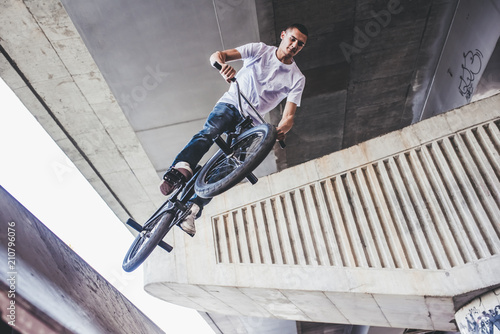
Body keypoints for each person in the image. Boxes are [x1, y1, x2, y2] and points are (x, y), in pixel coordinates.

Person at [160, 23, 308, 236]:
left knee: (231, 166)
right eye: (292, 39)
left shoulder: (297, 78)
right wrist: (222, 67)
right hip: (231, 104)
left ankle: (193, 208)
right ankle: (180, 171)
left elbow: (289, 116)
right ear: (283, 35)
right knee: (210, 132)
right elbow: (216, 55)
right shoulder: (259, 50)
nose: (294, 45)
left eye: (300, 44)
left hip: (252, 124)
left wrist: (281, 129)